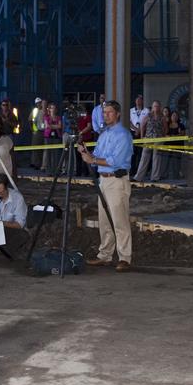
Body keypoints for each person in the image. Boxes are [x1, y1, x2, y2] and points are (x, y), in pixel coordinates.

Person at [78, 100, 134, 271]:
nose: (106, 115)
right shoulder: (103, 135)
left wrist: (93, 159)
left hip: (116, 181)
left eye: (109, 112)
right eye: (104, 113)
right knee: (104, 221)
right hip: (103, 180)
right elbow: (97, 157)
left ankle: (125, 257)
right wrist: (85, 151)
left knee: (119, 220)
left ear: (117, 114)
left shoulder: (123, 135)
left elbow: (115, 161)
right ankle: (105, 254)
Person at [134, 100, 165, 182]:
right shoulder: (148, 115)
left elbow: (165, 128)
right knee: (144, 157)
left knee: (157, 157)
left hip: (159, 138)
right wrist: (142, 137)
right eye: (155, 106)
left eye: (158, 106)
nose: (156, 108)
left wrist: (163, 137)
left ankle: (155, 177)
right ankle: (138, 177)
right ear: (152, 107)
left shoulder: (162, 117)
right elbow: (142, 126)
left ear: (160, 107)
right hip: (148, 137)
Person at [41, 102, 63, 171]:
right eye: (52, 108)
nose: (53, 109)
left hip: (56, 137)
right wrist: (55, 126)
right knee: (48, 154)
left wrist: (52, 126)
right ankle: (49, 171)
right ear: (49, 109)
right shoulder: (46, 117)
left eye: (54, 108)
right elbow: (47, 126)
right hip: (48, 137)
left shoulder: (58, 117)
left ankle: (55, 170)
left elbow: (60, 126)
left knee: (56, 154)